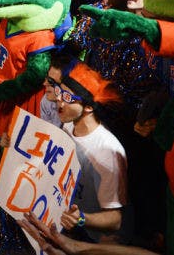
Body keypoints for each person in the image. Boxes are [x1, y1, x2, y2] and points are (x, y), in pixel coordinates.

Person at [49, 60, 127, 243]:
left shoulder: (107, 152)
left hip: (95, 237)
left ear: (89, 107)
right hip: (72, 225)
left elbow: (115, 220)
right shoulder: (68, 125)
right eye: (59, 92)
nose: (59, 100)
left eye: (67, 97)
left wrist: (81, 219)